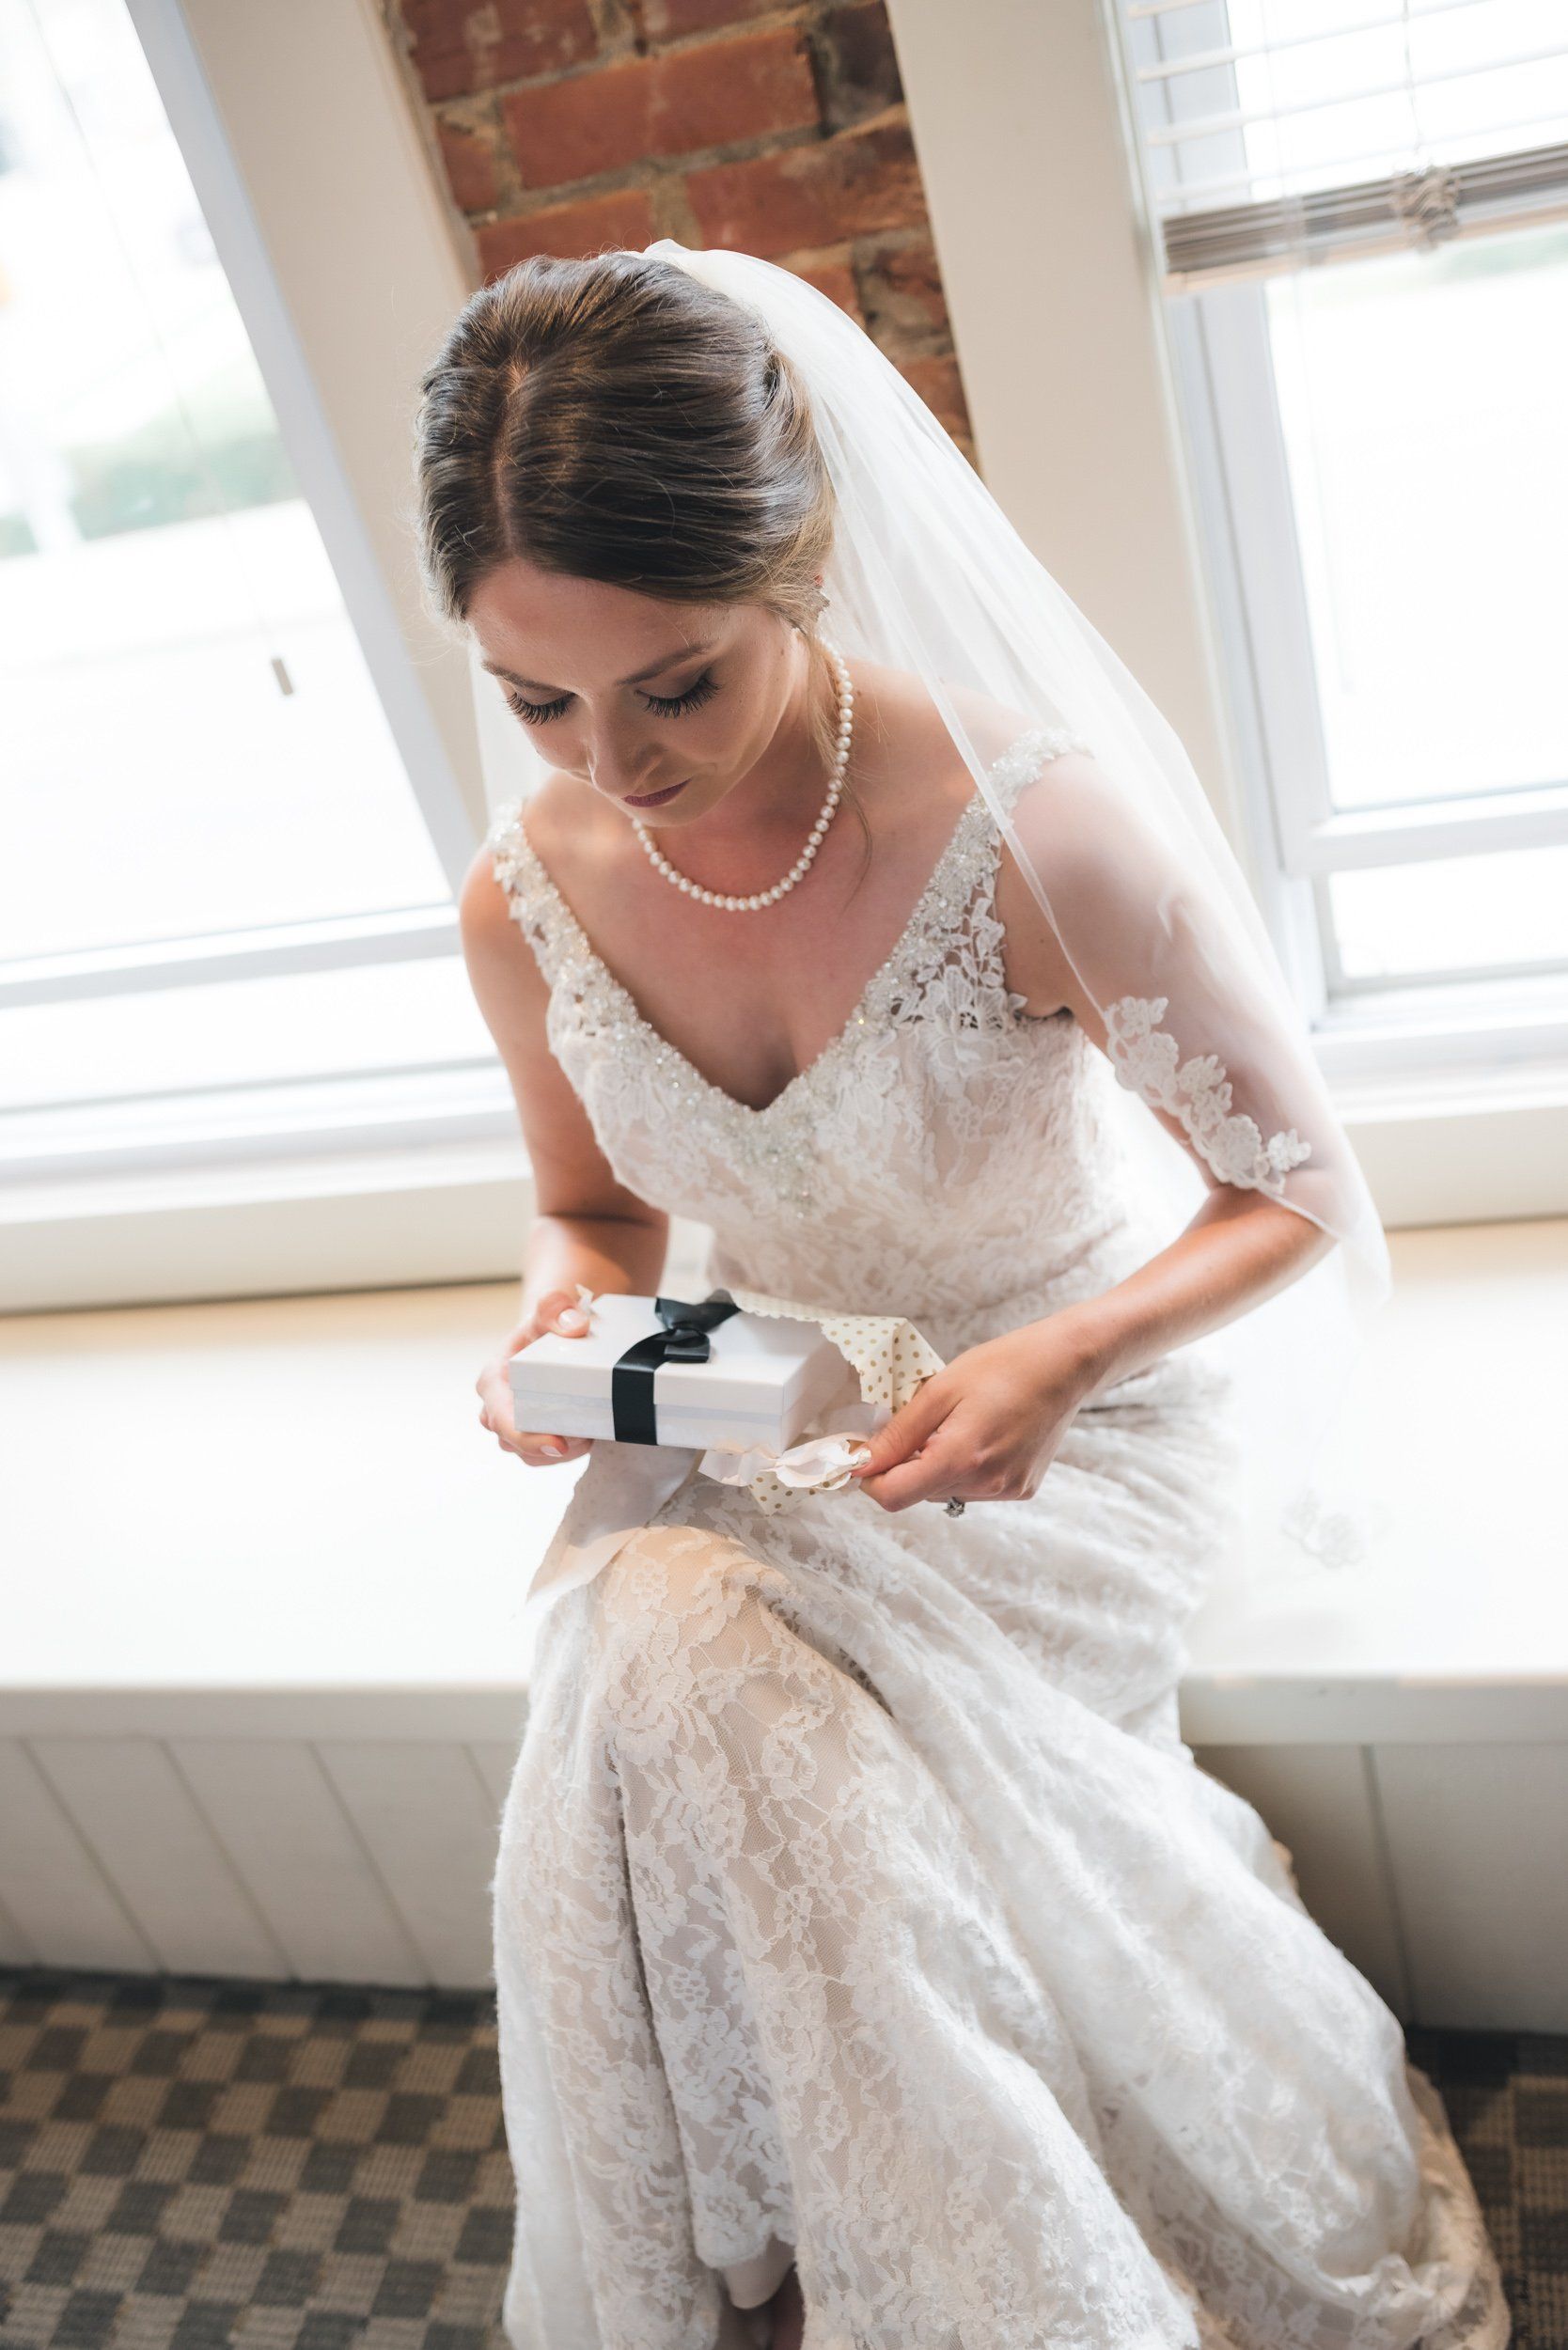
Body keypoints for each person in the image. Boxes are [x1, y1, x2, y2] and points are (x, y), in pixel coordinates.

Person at [413, 243, 1510, 2350]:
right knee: (661, 1647)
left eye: (675, 685)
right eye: (538, 699)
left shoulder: (1027, 835)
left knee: (655, 1663)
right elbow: (587, 1208)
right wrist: (563, 1328)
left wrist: (1056, 1359)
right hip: (768, 1400)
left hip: (1069, 1420)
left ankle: (853, 2275)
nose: (609, 761)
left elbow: (1290, 1191)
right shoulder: (525, 896)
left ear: (798, 569)